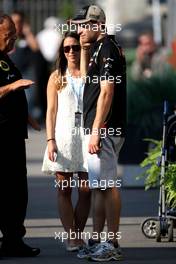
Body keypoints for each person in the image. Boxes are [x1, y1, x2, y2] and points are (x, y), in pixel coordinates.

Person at [70, 4, 126, 261]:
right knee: (99, 187)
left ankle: (112, 242)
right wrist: (83, 49)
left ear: (97, 24)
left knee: (107, 184)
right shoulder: (96, 49)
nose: (79, 30)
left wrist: (97, 130)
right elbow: (84, 83)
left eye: (83, 25)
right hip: (96, 127)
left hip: (103, 128)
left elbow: (107, 91)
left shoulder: (108, 49)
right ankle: (98, 239)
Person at [42, 31, 91, 251]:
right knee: (64, 190)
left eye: (75, 47)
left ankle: (78, 234)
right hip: (62, 137)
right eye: (66, 48)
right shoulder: (56, 77)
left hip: (87, 137)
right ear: (62, 52)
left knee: (86, 189)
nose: (71, 52)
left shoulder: (91, 73)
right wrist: (50, 140)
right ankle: (72, 237)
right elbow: (50, 111)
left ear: (82, 49)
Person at [0, 14, 40, 257]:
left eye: (15, 33)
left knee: (16, 191)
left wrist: (28, 117)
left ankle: (14, 240)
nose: (14, 38)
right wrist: (13, 87)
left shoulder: (5, 59)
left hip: (14, 137)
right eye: (8, 35)